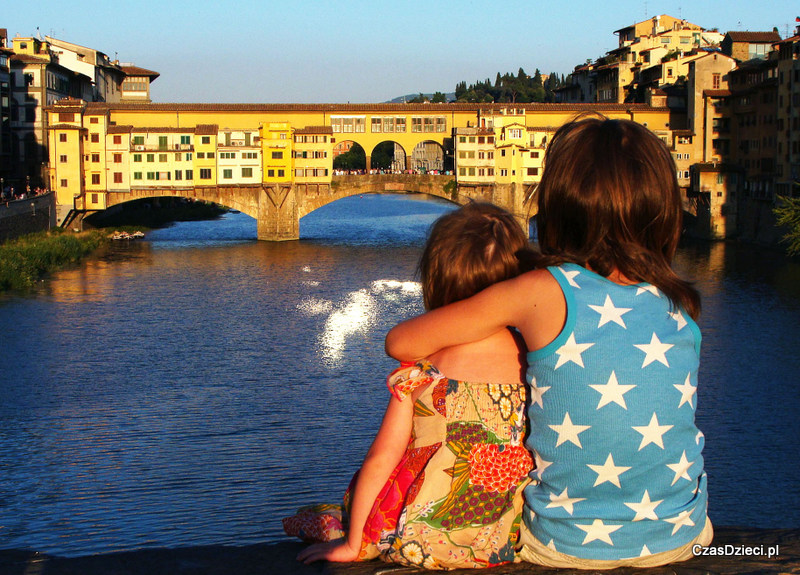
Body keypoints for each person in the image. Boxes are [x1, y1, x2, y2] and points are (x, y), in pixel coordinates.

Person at [385, 116, 712, 569]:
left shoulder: (541, 289)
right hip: (682, 535)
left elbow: (401, 342)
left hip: (562, 548)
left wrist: (494, 332)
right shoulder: (681, 304)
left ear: (559, 210)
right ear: (665, 215)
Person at [285, 202, 533, 569]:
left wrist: (355, 544)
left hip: (420, 538)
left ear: (436, 280)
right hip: (502, 538)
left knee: (323, 516)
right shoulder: (536, 363)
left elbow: (381, 459)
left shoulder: (423, 371)